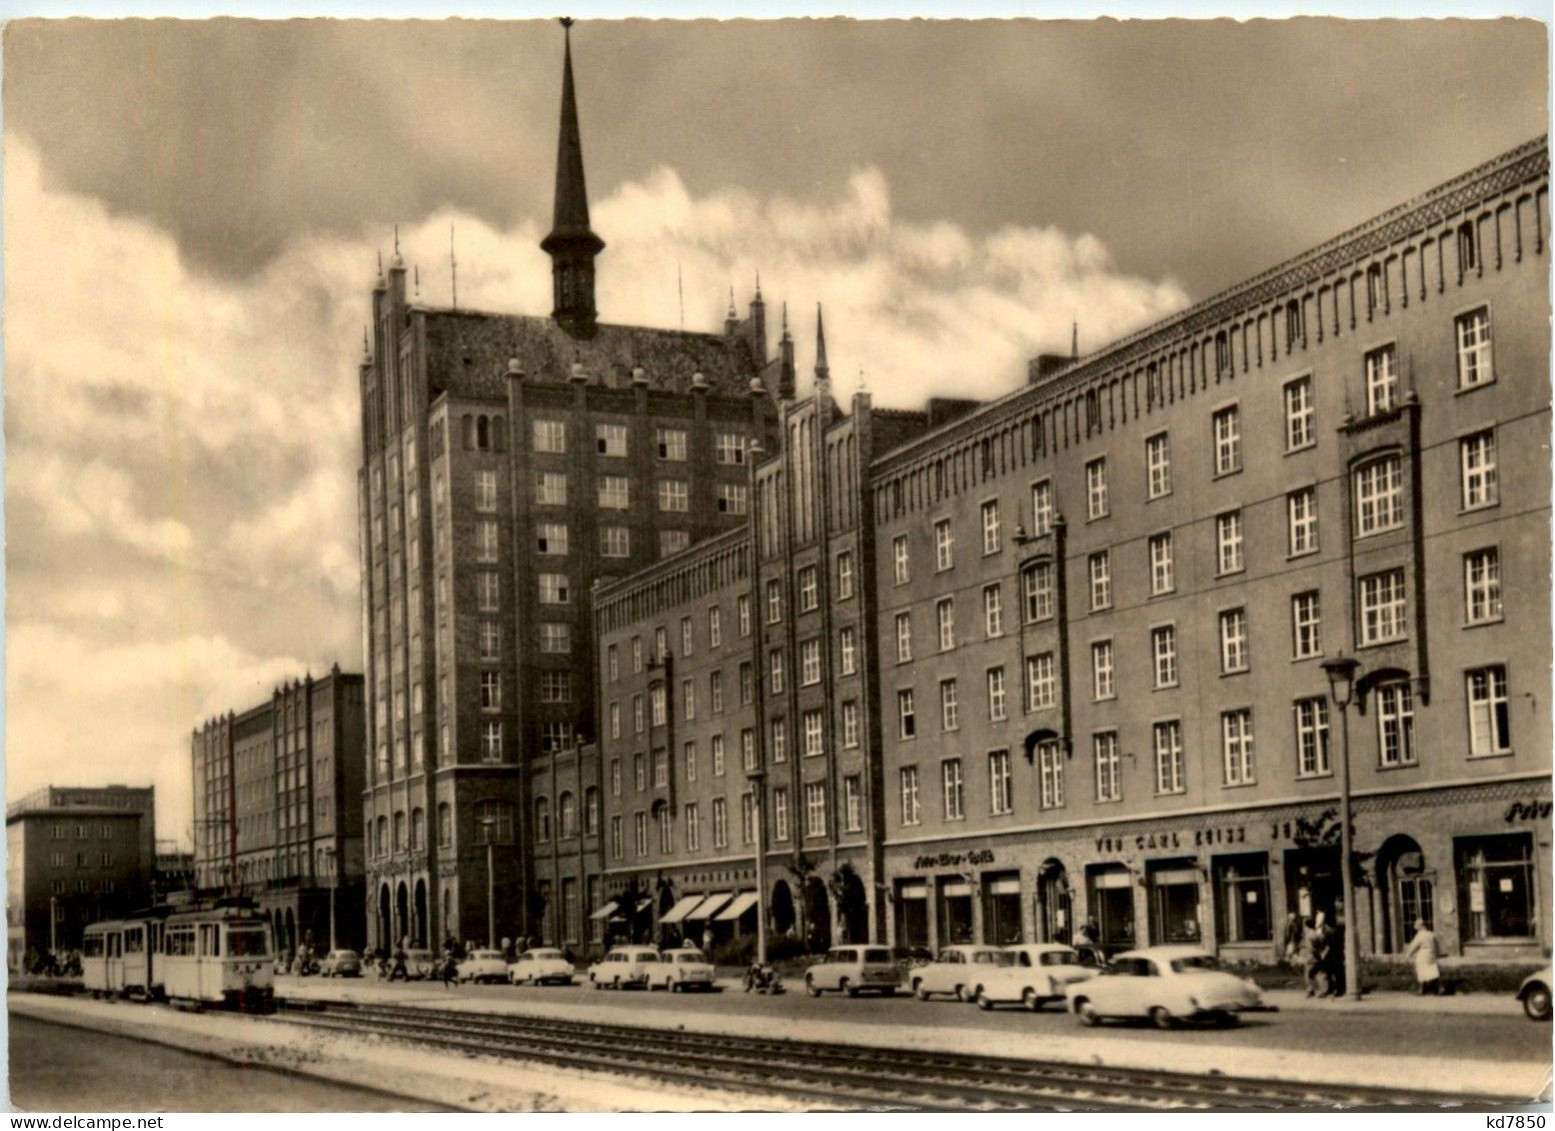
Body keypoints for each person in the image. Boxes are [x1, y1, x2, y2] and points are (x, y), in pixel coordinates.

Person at [1403, 918, 1442, 995]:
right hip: (1431, 954)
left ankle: (1422, 989)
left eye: (1416, 925)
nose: (1415, 926)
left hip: (1423, 955)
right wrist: (1437, 953)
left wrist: (1408, 954)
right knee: (1433, 971)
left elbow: (1414, 946)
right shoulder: (1431, 934)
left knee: (1421, 971)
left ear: (1420, 926)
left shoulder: (1420, 935)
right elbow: (1437, 945)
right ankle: (1436, 989)